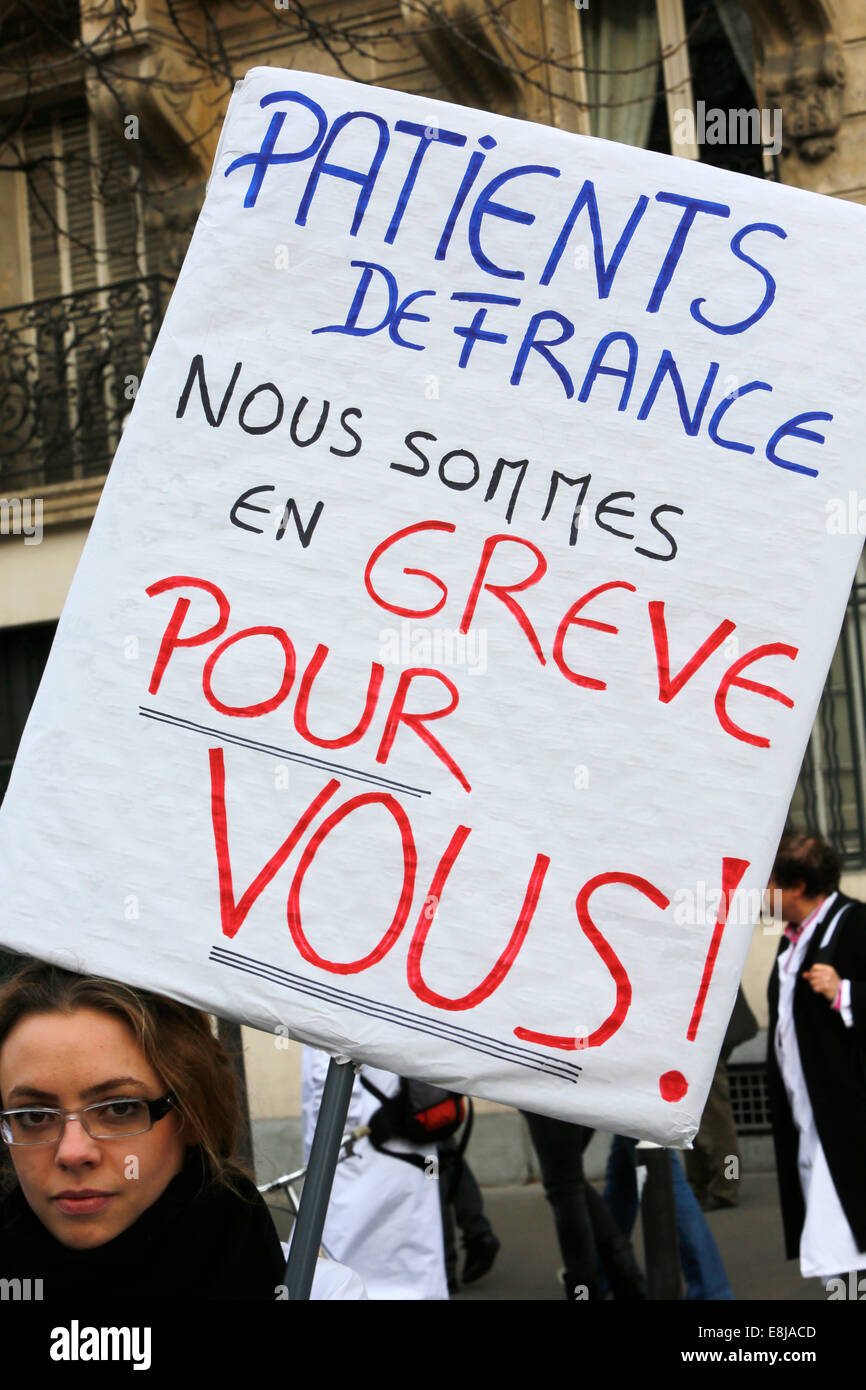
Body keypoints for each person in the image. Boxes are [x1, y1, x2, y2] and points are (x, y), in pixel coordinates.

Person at [0, 959, 286, 1299]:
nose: (73, 1152)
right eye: (34, 1116)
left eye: (119, 1108)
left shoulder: (311, 1288)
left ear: (192, 1115)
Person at [766, 831, 866, 1282]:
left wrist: (846, 992)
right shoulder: (792, 940)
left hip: (846, 1121)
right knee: (835, 1248)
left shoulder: (855, 924)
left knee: (841, 1247)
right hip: (807, 1118)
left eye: (767, 883)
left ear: (797, 887)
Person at [301, 1048, 449, 1299]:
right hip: (396, 1130)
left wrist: (335, 1134)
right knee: (411, 1251)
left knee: (345, 1251)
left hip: (360, 1142)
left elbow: (325, 1077)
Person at [521, 1111, 646, 1300]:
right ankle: (627, 1280)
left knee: (564, 1185)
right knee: (568, 1178)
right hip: (583, 1089)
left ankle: (587, 1292)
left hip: (552, 1088)